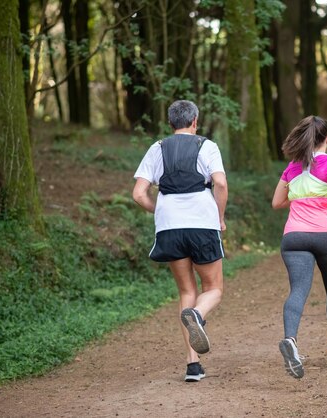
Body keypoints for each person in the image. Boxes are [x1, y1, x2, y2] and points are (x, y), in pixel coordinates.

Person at [132, 100, 228, 382]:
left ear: (170, 123)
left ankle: (192, 365)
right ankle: (197, 315)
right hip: (201, 223)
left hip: (169, 227)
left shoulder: (157, 148)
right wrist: (220, 217)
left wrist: (159, 209)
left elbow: (139, 193)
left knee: (186, 290)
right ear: (195, 121)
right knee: (214, 288)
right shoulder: (206, 146)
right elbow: (220, 183)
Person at [272, 115, 327, 379]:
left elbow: (277, 202)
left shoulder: (292, 167)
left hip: (294, 236)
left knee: (298, 290)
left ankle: (291, 340)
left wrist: (300, 200)